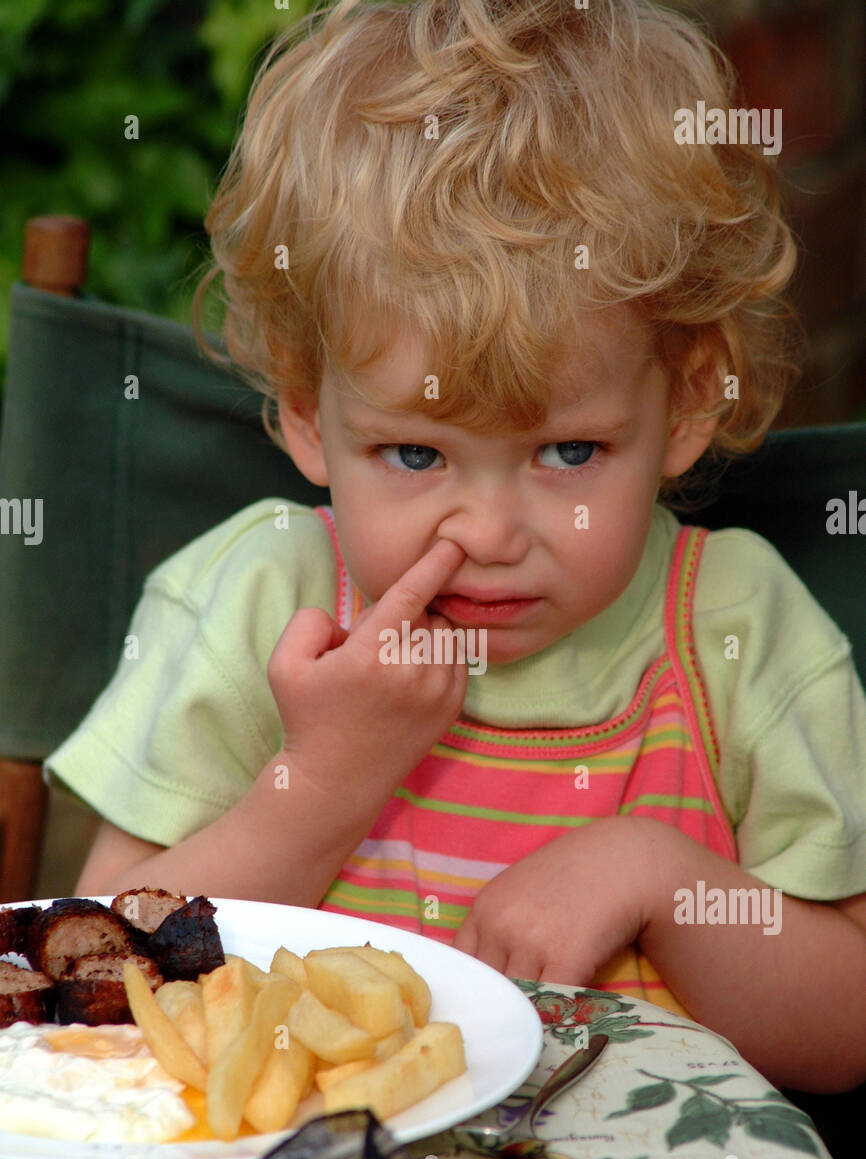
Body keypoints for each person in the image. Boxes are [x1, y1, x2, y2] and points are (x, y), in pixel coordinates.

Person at [44, 0, 866, 1093]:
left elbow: (848, 1031)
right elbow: (98, 980)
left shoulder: (736, 632)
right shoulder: (258, 599)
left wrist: (659, 881)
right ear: (306, 412)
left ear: (686, 400)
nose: (485, 532)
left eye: (567, 451)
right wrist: (323, 779)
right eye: (416, 454)